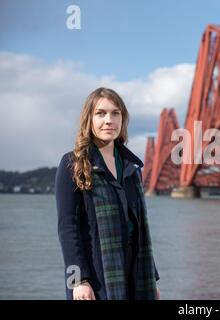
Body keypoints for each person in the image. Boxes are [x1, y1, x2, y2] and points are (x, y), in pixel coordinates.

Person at [55, 87, 160, 300]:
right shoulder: (72, 164)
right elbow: (67, 229)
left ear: (123, 119)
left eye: (115, 113)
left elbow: (138, 229)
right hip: (96, 278)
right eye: (100, 113)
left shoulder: (132, 168)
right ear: (89, 119)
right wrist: (78, 281)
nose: (109, 120)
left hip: (136, 274)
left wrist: (152, 280)